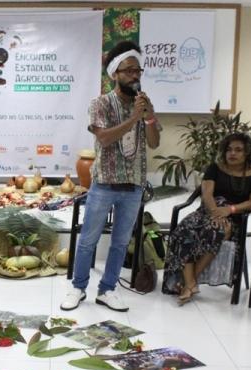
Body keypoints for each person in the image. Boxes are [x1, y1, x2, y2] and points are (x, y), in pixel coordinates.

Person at [60, 41, 161, 312]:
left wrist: (148, 117)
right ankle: (78, 288)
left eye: (137, 70)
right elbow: (104, 138)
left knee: (119, 243)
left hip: (135, 185)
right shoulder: (100, 103)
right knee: (88, 240)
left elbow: (153, 143)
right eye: (128, 71)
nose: (134, 75)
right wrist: (133, 119)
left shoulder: (144, 105)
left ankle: (107, 290)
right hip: (105, 184)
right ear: (115, 74)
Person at [163, 132, 251, 304]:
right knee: (184, 230)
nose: (232, 153)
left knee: (215, 231)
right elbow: (206, 193)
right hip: (208, 211)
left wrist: (229, 210)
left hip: (234, 217)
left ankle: (189, 282)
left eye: (238, 150)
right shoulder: (215, 168)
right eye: (229, 149)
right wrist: (215, 211)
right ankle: (191, 284)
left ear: (248, 153)